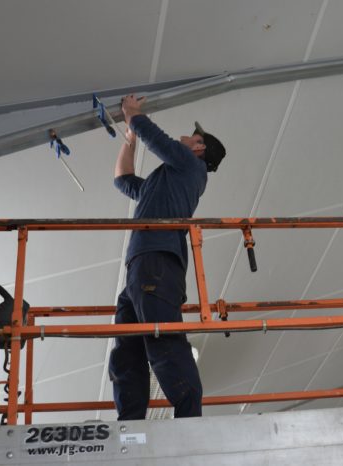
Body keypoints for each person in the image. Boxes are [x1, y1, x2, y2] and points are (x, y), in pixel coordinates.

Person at [108, 94, 226, 420]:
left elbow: (155, 138)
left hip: (156, 263)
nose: (186, 138)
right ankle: (129, 425)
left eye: (194, 137)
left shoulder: (191, 166)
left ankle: (189, 419)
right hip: (141, 267)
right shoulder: (163, 182)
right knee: (127, 350)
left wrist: (133, 112)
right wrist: (130, 136)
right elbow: (122, 179)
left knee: (163, 341)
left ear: (199, 149)